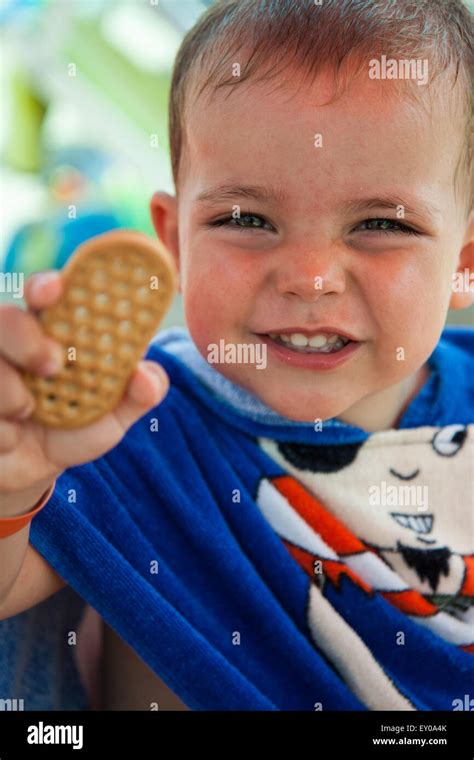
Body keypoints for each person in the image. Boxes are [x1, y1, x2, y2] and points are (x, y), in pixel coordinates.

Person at [0, 0, 473, 711]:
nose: (310, 277)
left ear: (464, 260)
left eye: (380, 223)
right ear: (177, 241)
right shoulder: (129, 420)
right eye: (246, 219)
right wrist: (14, 479)